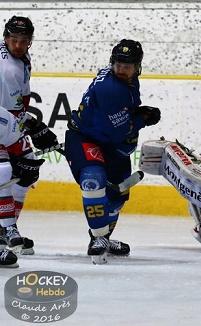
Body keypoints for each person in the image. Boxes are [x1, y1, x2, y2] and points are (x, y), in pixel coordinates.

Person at [65, 39, 161, 264]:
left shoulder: (128, 81)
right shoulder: (110, 88)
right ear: (112, 63)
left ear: (137, 67)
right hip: (85, 138)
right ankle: (98, 238)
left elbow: (123, 115)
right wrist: (143, 119)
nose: (121, 69)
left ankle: (105, 237)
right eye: (118, 65)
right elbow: (120, 131)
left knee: (118, 196)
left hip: (108, 143)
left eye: (127, 66)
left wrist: (138, 112)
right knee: (93, 180)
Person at [0, 16, 59, 256]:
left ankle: (5, 229)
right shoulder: (5, 68)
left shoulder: (22, 59)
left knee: (29, 169)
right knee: (4, 170)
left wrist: (34, 125)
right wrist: (29, 126)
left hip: (6, 122)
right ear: (5, 39)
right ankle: (8, 227)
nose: (18, 45)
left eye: (23, 41)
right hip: (2, 122)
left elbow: (18, 105)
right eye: (14, 40)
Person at [0, 106, 48, 268]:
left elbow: (17, 143)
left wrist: (28, 163)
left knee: (3, 171)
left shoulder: (3, 119)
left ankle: (6, 230)